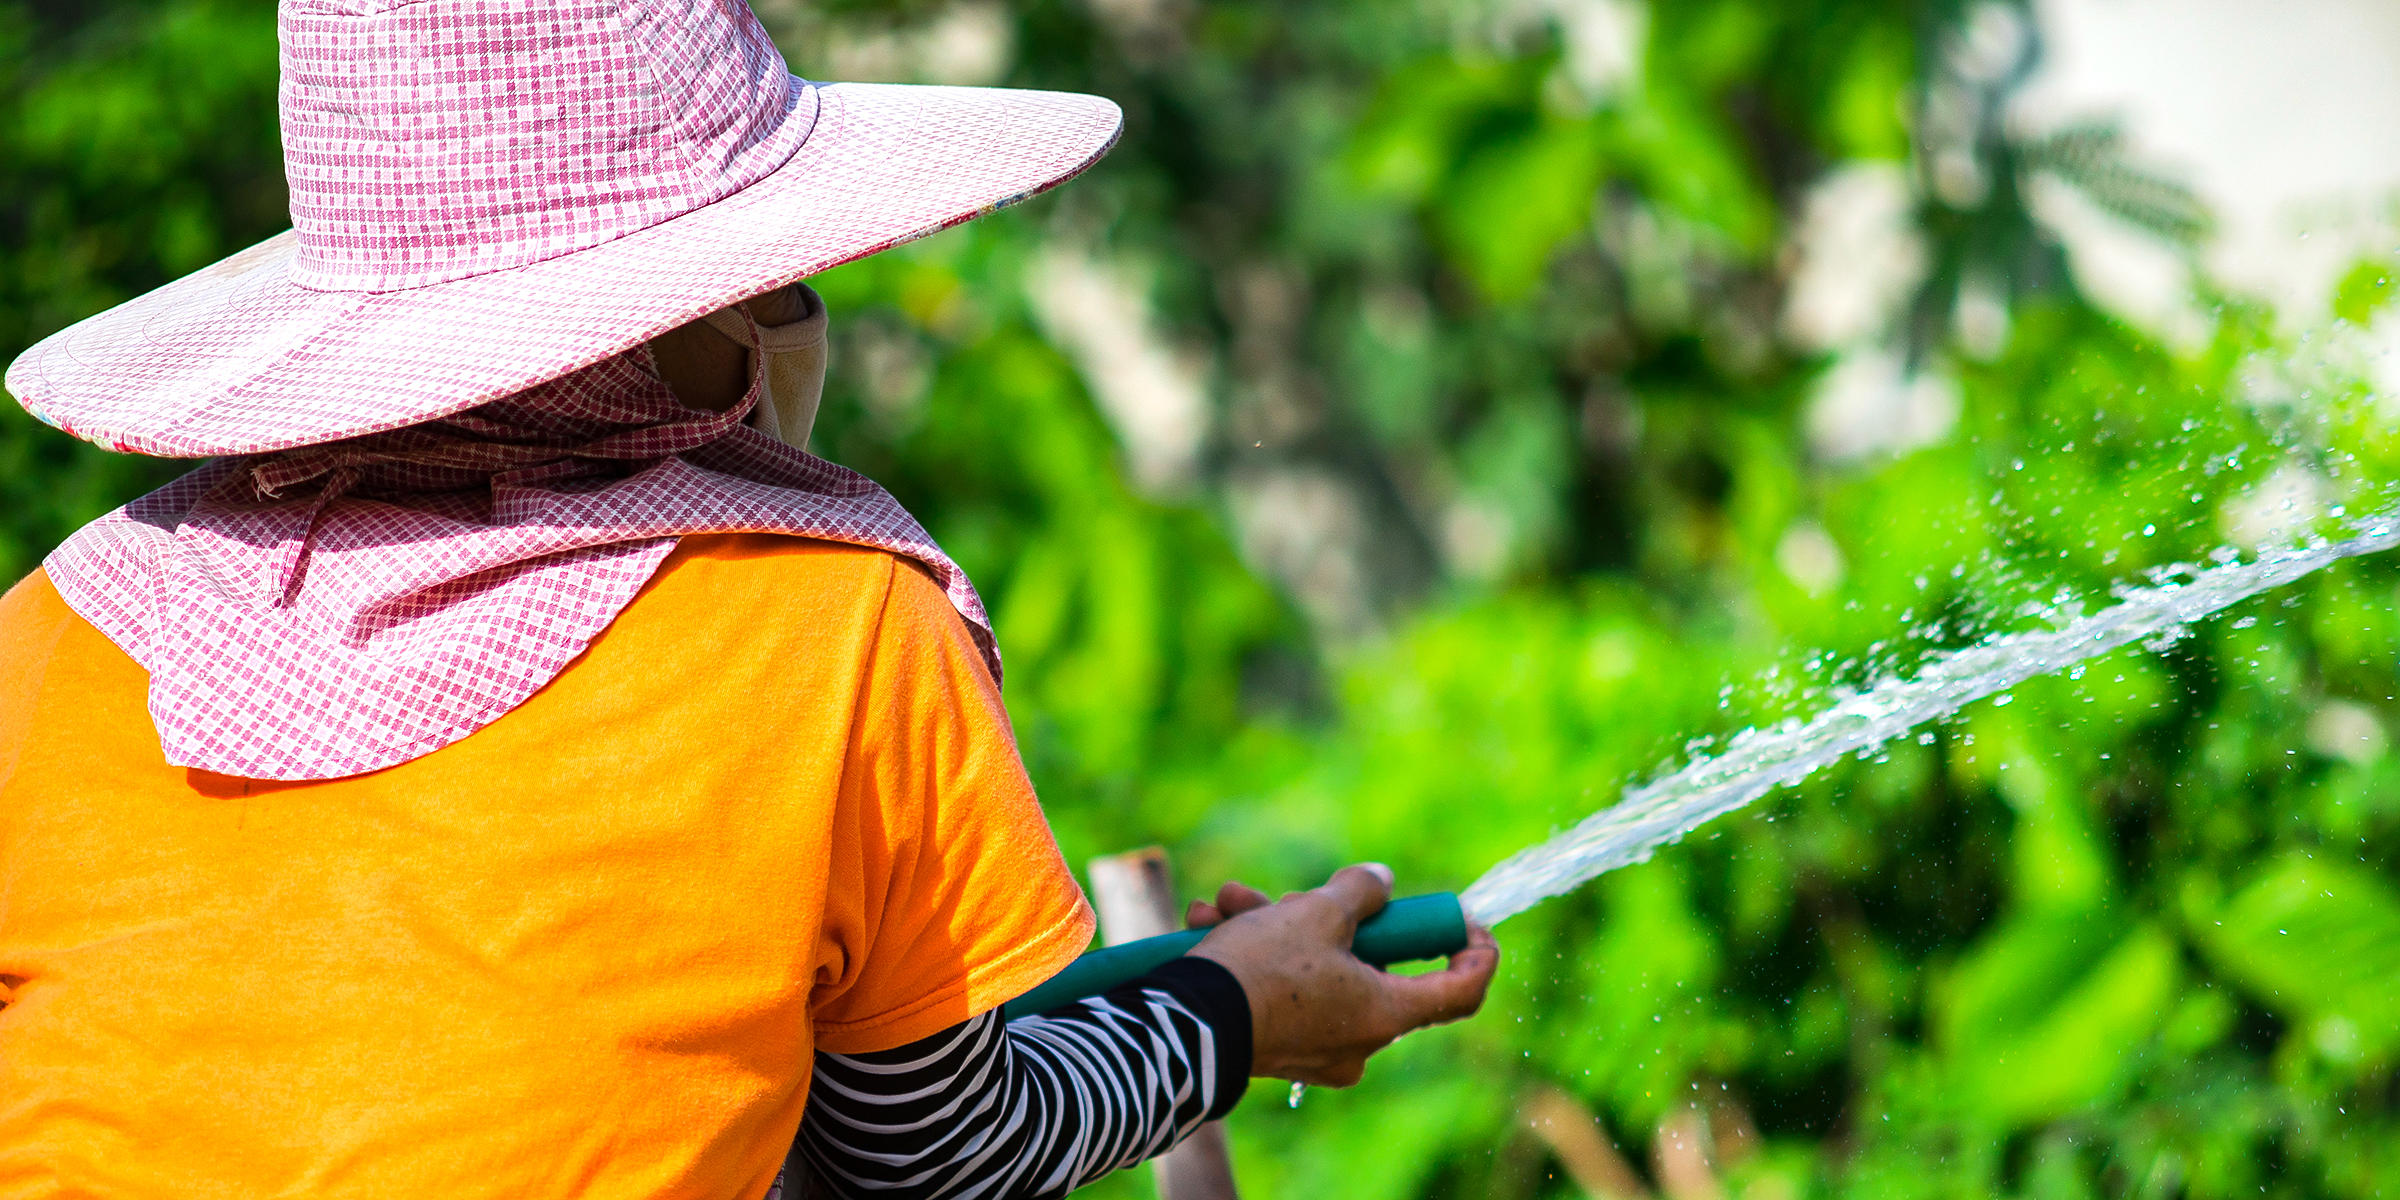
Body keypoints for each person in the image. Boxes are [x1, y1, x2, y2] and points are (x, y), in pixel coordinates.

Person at [0, 2, 1499, 1198]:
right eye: (778, 281)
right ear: (675, 334)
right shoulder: (828, 625)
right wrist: (1230, 1019)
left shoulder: (52, 632)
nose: (804, 316)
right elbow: (923, 1154)